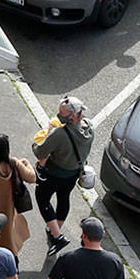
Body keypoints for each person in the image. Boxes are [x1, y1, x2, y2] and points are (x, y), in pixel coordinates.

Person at [32, 95, 94, 257]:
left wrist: (47, 133)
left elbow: (40, 151)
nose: (59, 116)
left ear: (72, 116)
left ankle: (58, 236)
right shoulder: (89, 128)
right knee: (64, 198)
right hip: (73, 173)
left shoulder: (59, 134)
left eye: (62, 114)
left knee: (42, 198)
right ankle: (54, 230)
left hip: (54, 173)